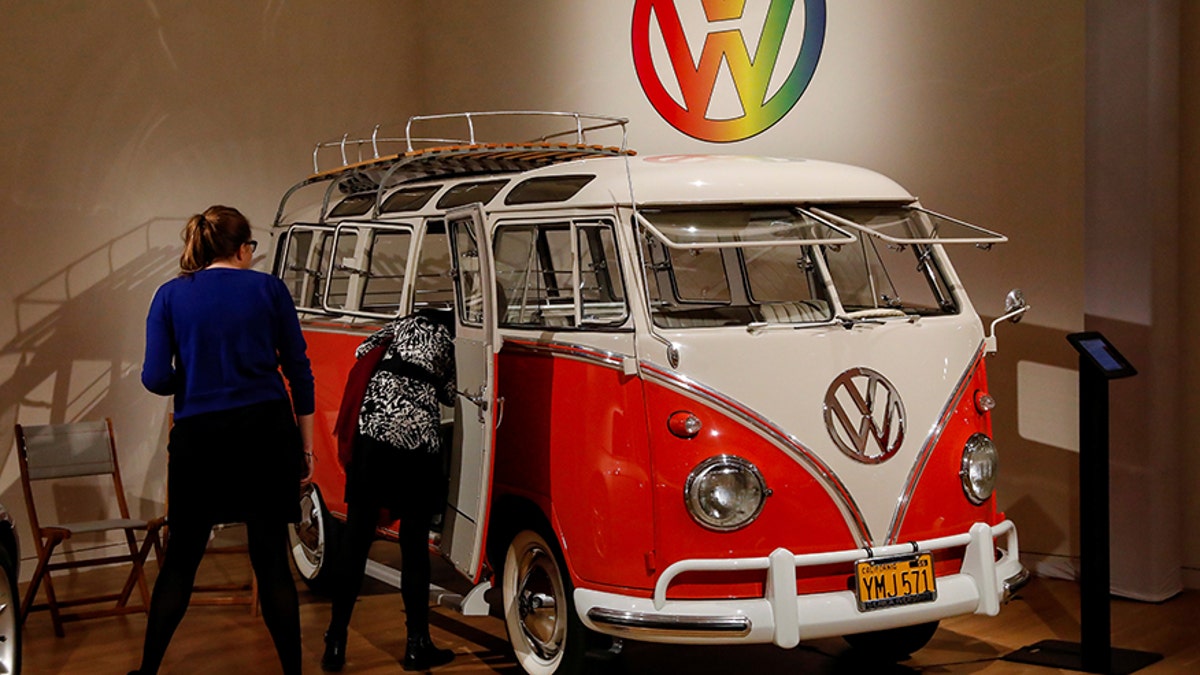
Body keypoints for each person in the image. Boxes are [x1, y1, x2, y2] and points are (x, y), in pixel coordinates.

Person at [132, 205, 315, 675]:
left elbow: (154, 378)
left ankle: (148, 671)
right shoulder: (270, 289)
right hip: (266, 432)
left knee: (182, 560)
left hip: (201, 438)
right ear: (242, 248)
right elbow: (299, 371)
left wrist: (193, 380)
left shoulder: (170, 295)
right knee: (271, 558)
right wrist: (305, 446)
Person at [321, 307, 457, 672]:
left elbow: (362, 352)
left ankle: (335, 641)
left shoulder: (395, 328)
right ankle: (417, 645)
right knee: (413, 547)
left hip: (371, 440)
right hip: (414, 445)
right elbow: (449, 393)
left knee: (356, 541)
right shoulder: (448, 337)